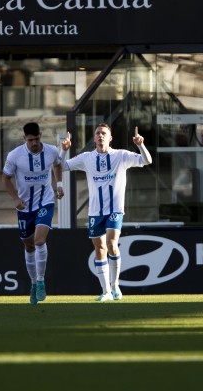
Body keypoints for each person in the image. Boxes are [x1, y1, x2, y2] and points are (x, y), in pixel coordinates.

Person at [60, 124, 152, 302]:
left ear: (110, 138)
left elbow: (146, 160)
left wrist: (140, 144)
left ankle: (115, 284)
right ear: (93, 139)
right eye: (97, 134)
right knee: (99, 248)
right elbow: (62, 166)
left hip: (115, 209)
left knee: (111, 243)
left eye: (104, 133)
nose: (100, 136)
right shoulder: (86, 158)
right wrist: (64, 150)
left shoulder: (121, 155)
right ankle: (106, 291)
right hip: (95, 211)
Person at [2, 122, 64, 305]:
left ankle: (41, 281)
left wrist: (59, 184)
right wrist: (15, 198)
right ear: (24, 139)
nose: (35, 143)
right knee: (28, 246)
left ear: (40, 135)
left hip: (45, 201)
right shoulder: (15, 156)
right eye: (31, 140)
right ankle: (33, 282)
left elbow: (58, 164)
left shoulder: (51, 151)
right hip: (24, 207)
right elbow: (5, 178)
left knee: (39, 240)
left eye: (37, 139)